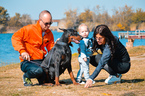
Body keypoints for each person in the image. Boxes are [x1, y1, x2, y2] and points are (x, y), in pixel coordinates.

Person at [11, 10, 55, 86]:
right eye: (46, 23)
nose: (48, 26)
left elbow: (51, 49)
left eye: (50, 23)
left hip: (41, 61)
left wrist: (57, 46)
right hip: (28, 61)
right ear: (40, 20)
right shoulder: (29, 29)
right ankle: (26, 77)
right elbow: (15, 37)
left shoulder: (49, 33)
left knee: (53, 71)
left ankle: (43, 80)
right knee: (38, 71)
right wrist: (22, 51)